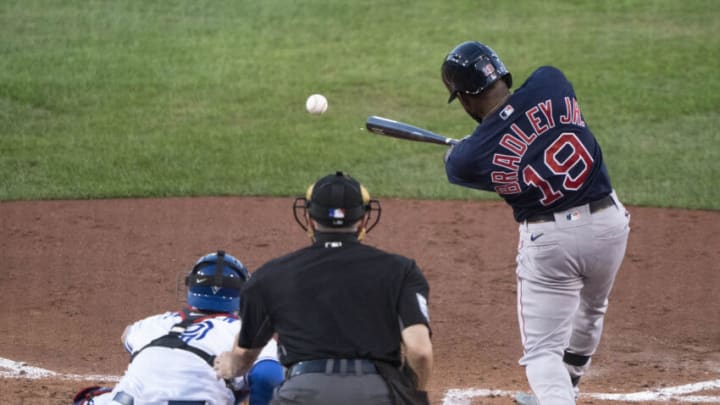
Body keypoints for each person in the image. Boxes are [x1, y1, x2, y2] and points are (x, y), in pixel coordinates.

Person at [441, 41, 631, 405]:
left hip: (551, 244)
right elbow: (527, 125)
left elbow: (464, 160)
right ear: (502, 73)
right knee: (592, 309)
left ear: (464, 100)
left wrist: (473, 143)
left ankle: (558, 397)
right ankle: (569, 385)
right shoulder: (551, 82)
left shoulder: (468, 158)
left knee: (542, 353)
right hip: (609, 226)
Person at [213, 171, 433, 405]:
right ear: (363, 219)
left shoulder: (268, 276)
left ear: (308, 218)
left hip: (302, 393)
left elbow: (244, 356)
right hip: (377, 393)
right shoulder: (402, 270)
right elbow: (419, 351)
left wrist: (229, 365)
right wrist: (410, 394)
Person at [73, 250, 284, 405]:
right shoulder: (247, 333)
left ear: (190, 288)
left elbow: (126, 335)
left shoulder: (154, 323)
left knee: (90, 398)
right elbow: (268, 377)